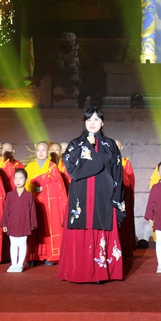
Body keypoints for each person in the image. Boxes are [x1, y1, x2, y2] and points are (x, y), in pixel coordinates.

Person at [57, 108, 124, 283]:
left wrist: (116, 198)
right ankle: (77, 272)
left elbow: (117, 172)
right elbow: (71, 167)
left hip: (103, 193)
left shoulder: (110, 145)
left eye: (96, 119)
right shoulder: (75, 144)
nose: (92, 123)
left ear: (103, 122)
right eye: (88, 120)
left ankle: (101, 273)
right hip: (81, 193)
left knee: (101, 225)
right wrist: (86, 146)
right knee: (81, 225)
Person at [25, 141, 68, 265]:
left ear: (48, 152)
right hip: (34, 201)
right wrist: (32, 187)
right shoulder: (29, 167)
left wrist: (44, 187)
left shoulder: (52, 167)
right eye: (38, 150)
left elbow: (59, 185)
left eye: (43, 150)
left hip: (49, 202)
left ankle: (49, 256)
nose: (41, 153)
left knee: (48, 228)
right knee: (34, 227)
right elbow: (23, 182)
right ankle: (33, 255)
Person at [1, 169, 37, 273]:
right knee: (13, 244)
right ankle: (13, 264)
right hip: (12, 222)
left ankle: (20, 264)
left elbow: (32, 210)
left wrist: (32, 223)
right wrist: (4, 224)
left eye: (20, 178)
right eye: (16, 178)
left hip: (24, 222)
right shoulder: (10, 195)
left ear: (26, 180)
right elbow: (6, 210)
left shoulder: (28, 195)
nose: (18, 181)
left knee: (22, 243)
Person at [116, 140, 136, 259]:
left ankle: (125, 248)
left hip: (123, 197)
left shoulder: (125, 162)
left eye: (117, 147)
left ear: (121, 148)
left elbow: (130, 180)